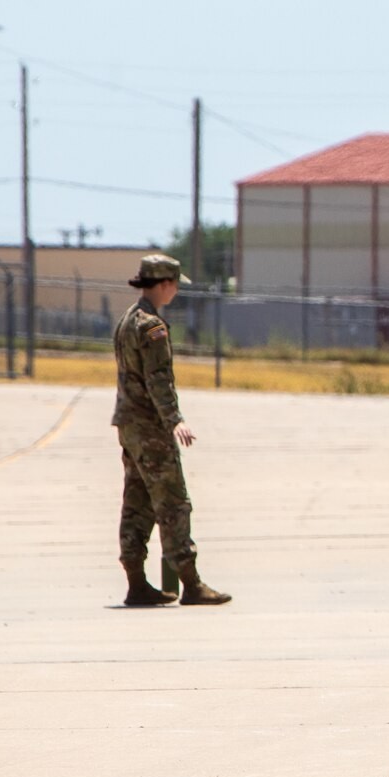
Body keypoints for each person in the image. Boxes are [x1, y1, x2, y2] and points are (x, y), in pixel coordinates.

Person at [112, 254, 230, 607]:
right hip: (150, 427)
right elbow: (158, 379)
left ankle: (136, 582)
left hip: (129, 425)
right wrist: (174, 419)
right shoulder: (153, 327)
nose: (176, 290)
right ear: (163, 285)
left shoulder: (126, 321)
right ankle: (191, 584)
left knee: (137, 501)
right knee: (173, 502)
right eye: (175, 284)